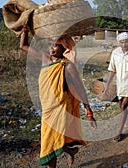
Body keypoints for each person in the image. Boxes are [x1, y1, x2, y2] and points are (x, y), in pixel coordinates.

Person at [19, 27, 96, 168]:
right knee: (52, 139)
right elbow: (23, 46)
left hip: (61, 108)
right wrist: (24, 29)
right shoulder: (44, 58)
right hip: (46, 108)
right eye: (50, 45)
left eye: (55, 45)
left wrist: (89, 111)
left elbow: (80, 89)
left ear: (64, 48)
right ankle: (70, 150)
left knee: (49, 143)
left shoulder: (68, 67)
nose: (51, 49)